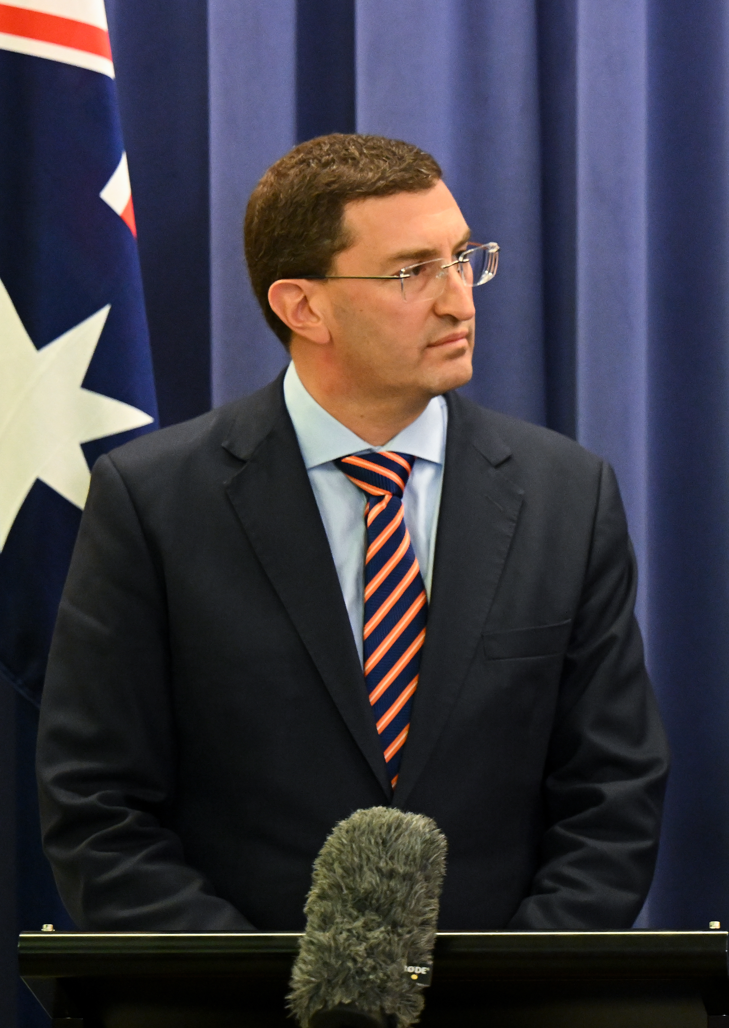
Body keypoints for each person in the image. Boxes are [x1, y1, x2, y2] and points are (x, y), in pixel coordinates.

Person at [37, 134, 668, 930]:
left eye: (464, 257)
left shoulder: (568, 498)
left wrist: (510, 995)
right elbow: (98, 807)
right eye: (414, 272)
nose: (459, 299)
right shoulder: (153, 503)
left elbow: (612, 796)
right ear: (303, 306)